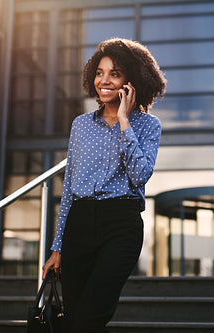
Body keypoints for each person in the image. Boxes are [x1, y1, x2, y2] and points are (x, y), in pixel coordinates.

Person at [42, 38, 166, 333]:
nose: (104, 80)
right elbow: (70, 185)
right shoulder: (81, 124)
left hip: (120, 224)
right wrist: (57, 247)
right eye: (99, 72)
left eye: (115, 73)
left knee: (90, 317)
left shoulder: (148, 125)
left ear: (132, 81)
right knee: (72, 319)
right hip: (79, 224)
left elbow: (140, 175)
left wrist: (124, 120)